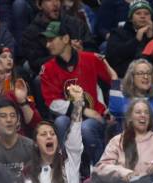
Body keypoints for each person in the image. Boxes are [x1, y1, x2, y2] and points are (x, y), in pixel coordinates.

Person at [40, 21, 111, 164]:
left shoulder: (91, 59)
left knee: (86, 127)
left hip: (95, 117)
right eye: (46, 41)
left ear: (65, 39)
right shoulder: (47, 69)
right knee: (60, 122)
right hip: (71, 117)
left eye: (51, 40)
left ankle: (100, 169)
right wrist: (83, 111)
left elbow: (112, 81)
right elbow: (52, 103)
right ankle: (65, 169)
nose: (47, 45)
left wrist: (112, 109)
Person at [92, 98, 153, 183]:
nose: (143, 115)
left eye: (146, 113)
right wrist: (123, 173)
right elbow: (101, 168)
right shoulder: (117, 141)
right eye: (138, 112)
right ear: (130, 117)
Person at [24, 84, 84, 183]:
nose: (49, 136)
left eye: (52, 134)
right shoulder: (30, 173)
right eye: (43, 134)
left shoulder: (69, 163)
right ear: (36, 143)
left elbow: (75, 137)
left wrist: (78, 104)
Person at [108, 58, 153, 137]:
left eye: (149, 73)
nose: (146, 77)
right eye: (141, 73)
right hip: (128, 145)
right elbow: (116, 109)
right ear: (132, 77)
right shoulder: (124, 99)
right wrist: (115, 79)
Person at [106, 0, 153, 78]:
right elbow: (113, 57)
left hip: (150, 78)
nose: (143, 16)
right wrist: (136, 40)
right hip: (124, 78)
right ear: (131, 18)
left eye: (146, 14)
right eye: (138, 13)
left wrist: (150, 39)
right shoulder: (117, 33)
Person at [0, 96, 34, 183]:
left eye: (13, 115)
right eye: (3, 116)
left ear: (18, 120)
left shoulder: (31, 147)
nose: (9, 120)